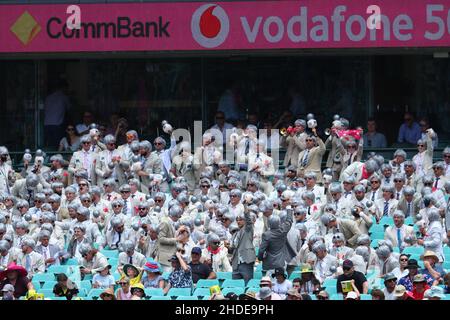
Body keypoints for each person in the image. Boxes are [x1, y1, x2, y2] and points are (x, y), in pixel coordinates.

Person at [44, 80, 71, 148]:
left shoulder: (48, 97)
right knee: (58, 145)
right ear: (64, 88)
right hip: (57, 125)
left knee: (50, 144)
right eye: (67, 88)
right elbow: (69, 109)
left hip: (47, 124)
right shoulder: (64, 97)